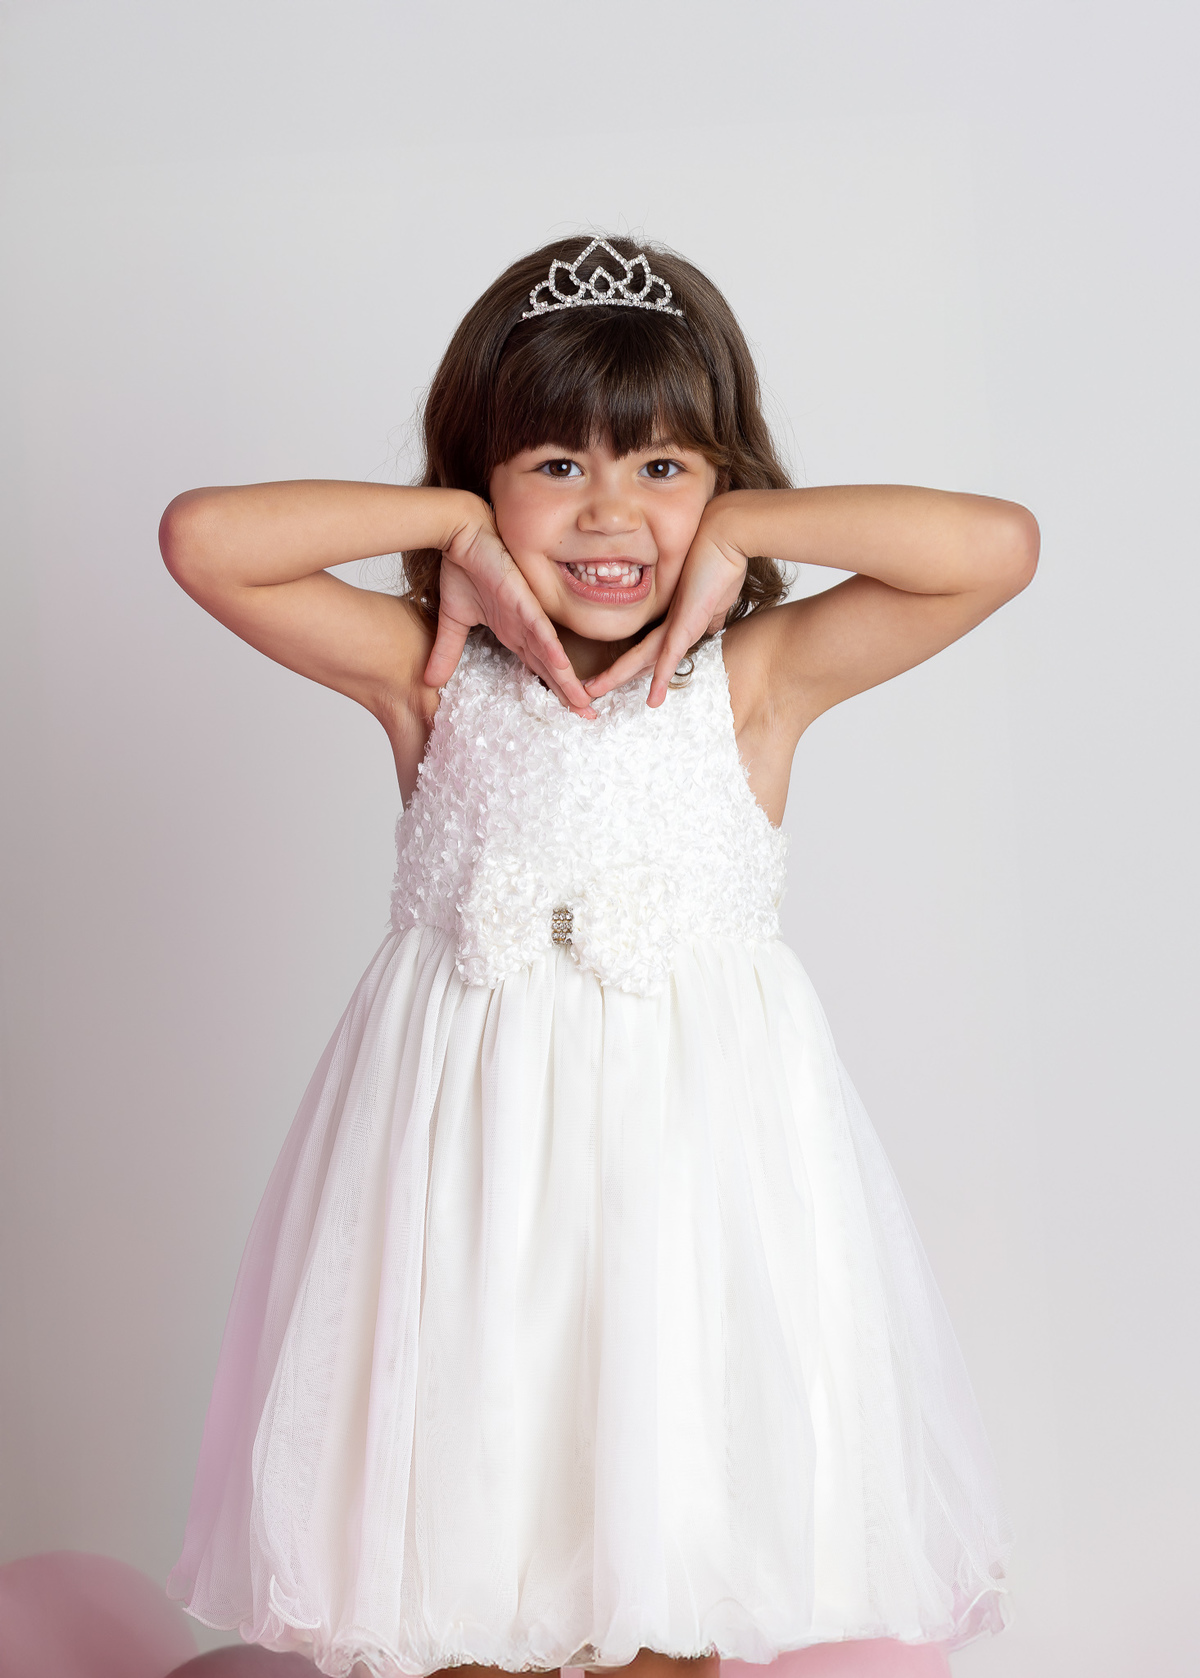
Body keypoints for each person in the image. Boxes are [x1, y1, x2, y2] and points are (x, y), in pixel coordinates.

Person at [162, 236, 1038, 1678]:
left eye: (664, 466)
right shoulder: (427, 676)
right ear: (489, 483)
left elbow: (997, 546)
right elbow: (204, 537)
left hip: (683, 1205)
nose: (610, 510)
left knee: (666, 1569)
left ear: (722, 480)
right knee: (459, 1574)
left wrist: (745, 528)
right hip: (467, 1208)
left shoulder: (751, 686)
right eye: (556, 465)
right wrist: (450, 527)